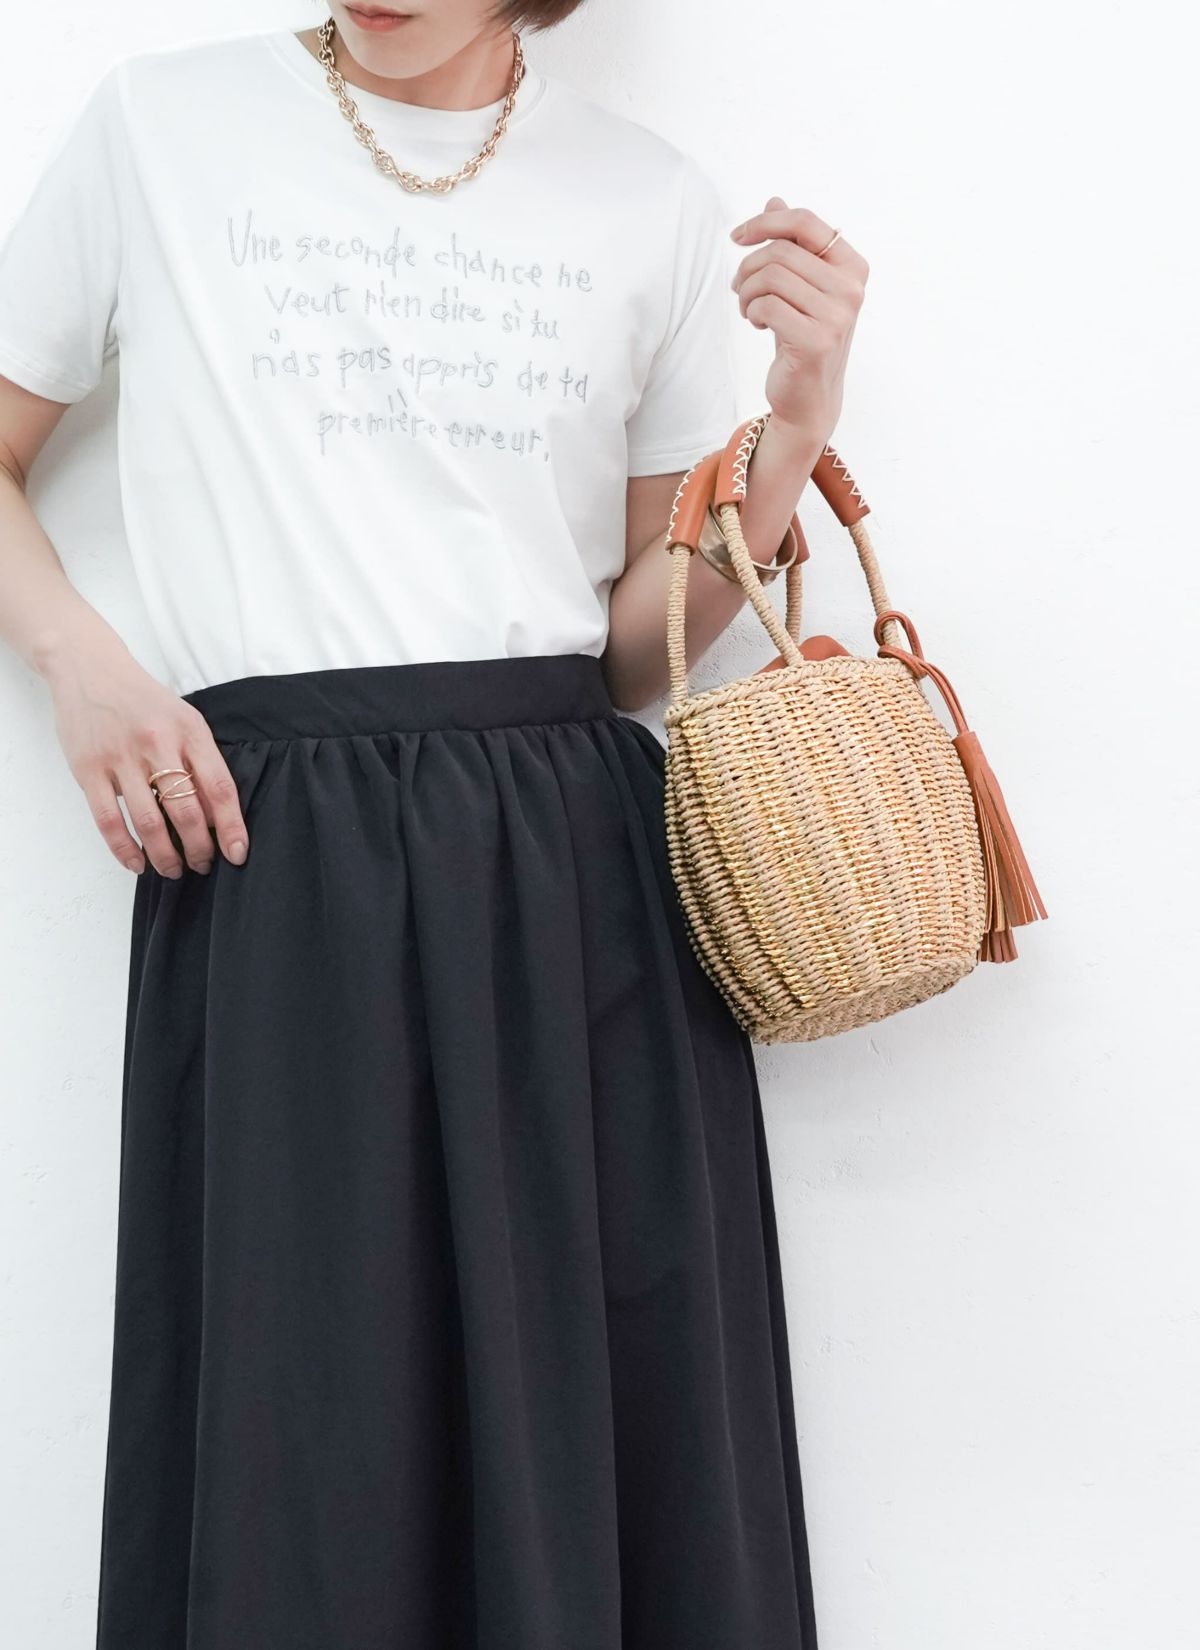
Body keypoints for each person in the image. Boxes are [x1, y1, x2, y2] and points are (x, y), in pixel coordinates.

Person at [0, 3, 868, 1645]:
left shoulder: (646, 197)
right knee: (304, 1430)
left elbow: (636, 651)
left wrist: (796, 429)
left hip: (569, 872)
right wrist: (80, 663)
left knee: (591, 1423)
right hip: (276, 855)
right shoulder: (159, 127)